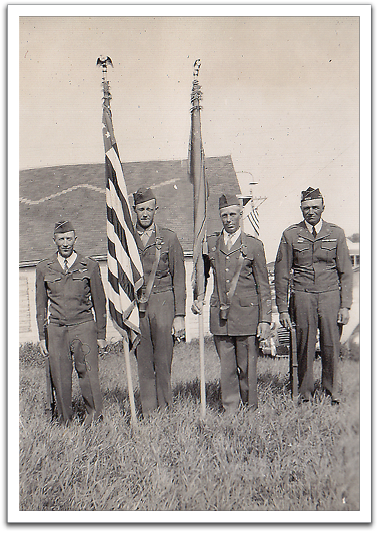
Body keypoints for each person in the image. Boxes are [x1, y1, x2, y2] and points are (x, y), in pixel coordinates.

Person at [192, 193, 272, 414]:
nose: (228, 219)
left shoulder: (254, 246)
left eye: (232, 214)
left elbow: (263, 286)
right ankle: (230, 409)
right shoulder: (211, 245)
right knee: (227, 368)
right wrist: (198, 297)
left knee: (247, 367)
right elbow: (202, 276)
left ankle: (250, 408)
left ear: (240, 215)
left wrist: (265, 319)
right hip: (221, 316)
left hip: (247, 316)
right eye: (224, 215)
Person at [274, 187, 353, 404]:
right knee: (304, 347)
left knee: (331, 347)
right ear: (301, 209)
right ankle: (304, 395)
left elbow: (345, 272)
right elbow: (281, 274)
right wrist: (282, 308)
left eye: (315, 207)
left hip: (330, 297)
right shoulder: (291, 235)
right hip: (302, 297)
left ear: (323, 208)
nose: (311, 212)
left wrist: (345, 306)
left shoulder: (336, 233)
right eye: (306, 208)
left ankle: (332, 393)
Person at [36, 221, 107, 425]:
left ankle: (94, 420)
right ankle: (64, 421)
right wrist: (42, 336)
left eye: (69, 239)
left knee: (89, 376)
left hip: (84, 326)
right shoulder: (44, 268)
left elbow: (99, 302)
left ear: (76, 239)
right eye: (61, 239)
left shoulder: (89, 265)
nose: (65, 243)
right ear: (54, 240)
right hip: (56, 329)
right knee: (60, 377)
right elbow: (40, 305)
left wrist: (101, 335)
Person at [133, 187, 186, 415]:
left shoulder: (169, 238)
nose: (145, 214)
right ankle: (148, 411)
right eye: (140, 209)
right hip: (137, 307)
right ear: (135, 211)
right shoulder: (127, 239)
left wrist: (180, 315)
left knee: (163, 360)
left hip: (163, 302)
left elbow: (179, 278)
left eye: (148, 209)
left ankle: (165, 409)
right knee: (143, 360)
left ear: (156, 209)